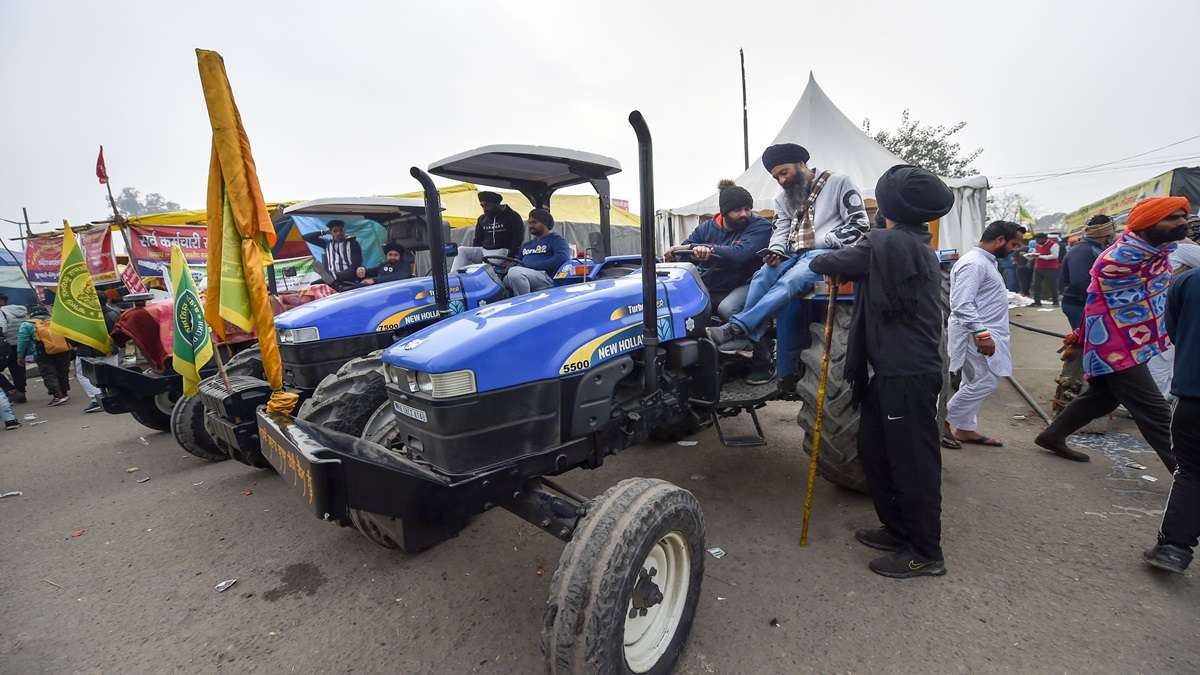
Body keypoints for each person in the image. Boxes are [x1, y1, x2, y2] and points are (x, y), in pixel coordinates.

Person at [808, 165, 955, 578]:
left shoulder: (887, 243)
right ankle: (897, 530)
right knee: (875, 451)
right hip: (887, 369)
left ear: (886, 207)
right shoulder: (909, 242)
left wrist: (829, 259)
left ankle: (925, 552)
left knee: (912, 463)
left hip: (907, 373)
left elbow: (825, 261)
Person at [1034, 196, 1192, 470]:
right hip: (1115, 343)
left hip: (1132, 340)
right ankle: (1187, 476)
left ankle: (1052, 435)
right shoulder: (1119, 258)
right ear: (1147, 225)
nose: (1181, 222)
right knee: (1155, 411)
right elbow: (1104, 296)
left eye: (1182, 217)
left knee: (1102, 397)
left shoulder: (1154, 254)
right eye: (1172, 218)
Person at [706, 143, 870, 378]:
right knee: (762, 276)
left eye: (784, 173)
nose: (781, 181)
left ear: (802, 164)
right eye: (776, 177)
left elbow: (859, 224)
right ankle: (746, 336)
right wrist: (775, 250)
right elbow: (781, 230)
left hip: (826, 252)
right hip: (793, 252)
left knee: (791, 280)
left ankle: (739, 329)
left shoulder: (839, 182)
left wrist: (823, 241)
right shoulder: (782, 198)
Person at [664, 180, 773, 383]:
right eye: (738, 210)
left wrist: (708, 250)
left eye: (748, 208)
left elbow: (742, 254)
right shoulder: (706, 228)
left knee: (728, 308)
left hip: (749, 283)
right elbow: (686, 250)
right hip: (714, 285)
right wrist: (675, 253)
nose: (744, 214)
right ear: (724, 212)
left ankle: (762, 361)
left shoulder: (759, 226)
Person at [943, 221, 1025, 449]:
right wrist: (982, 333)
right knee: (985, 381)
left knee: (973, 380)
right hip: (976, 334)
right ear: (1000, 240)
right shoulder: (974, 264)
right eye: (1013, 244)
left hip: (985, 332)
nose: (1015, 249)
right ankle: (943, 422)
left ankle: (965, 429)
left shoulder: (984, 262)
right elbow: (962, 304)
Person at [1143, 264, 1200, 574]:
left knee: (1192, 471)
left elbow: (1175, 330)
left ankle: (1174, 549)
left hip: (1195, 395)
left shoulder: (1189, 280)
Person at [1145, 219, 1200, 398]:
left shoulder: (1148, 247)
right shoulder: (1181, 248)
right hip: (1162, 311)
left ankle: (1160, 401)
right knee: (1162, 359)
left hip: (1153, 310)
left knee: (1163, 359)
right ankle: (1158, 403)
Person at [1059, 215, 1116, 330]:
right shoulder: (1084, 250)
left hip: (1084, 303)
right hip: (1080, 305)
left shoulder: (1092, 248)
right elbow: (1080, 283)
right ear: (1106, 233)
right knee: (1090, 343)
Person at [451, 191, 525, 272]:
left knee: (483, 268)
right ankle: (453, 278)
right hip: (484, 250)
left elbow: (517, 240)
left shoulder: (512, 216)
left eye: (487, 205)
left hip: (502, 252)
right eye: (482, 206)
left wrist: (509, 259)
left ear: (496, 204)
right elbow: (478, 239)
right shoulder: (482, 219)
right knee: (461, 250)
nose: (484, 209)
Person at [75, 290, 122, 414]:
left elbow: (73, 335)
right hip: (109, 350)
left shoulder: (82, 316)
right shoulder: (114, 313)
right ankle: (113, 397)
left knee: (83, 374)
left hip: (87, 351)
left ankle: (97, 398)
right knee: (112, 374)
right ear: (106, 300)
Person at [503, 209, 570, 296]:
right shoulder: (527, 245)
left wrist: (533, 266)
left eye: (534, 222)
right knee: (497, 281)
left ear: (545, 223)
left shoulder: (556, 240)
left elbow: (562, 259)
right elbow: (518, 261)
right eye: (529, 223)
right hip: (525, 274)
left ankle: (524, 304)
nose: (531, 225)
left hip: (546, 276)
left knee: (515, 273)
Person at [17, 306, 73, 405]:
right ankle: (64, 393)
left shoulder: (27, 325)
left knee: (49, 373)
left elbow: (22, 342)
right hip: (63, 350)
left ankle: (57, 395)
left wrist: (20, 356)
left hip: (42, 353)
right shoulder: (57, 320)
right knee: (63, 371)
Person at [303, 220, 365, 291]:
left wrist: (337, 275)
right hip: (331, 276)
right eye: (335, 231)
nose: (339, 233)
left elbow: (355, 265)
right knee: (313, 286)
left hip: (348, 275)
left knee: (329, 279)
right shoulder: (327, 244)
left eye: (341, 230)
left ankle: (335, 283)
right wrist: (324, 232)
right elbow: (306, 237)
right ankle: (333, 282)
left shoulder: (352, 243)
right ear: (331, 233)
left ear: (344, 231)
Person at [0, 293, 28, 403]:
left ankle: (11, 390)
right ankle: (21, 392)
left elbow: (3, 328)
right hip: (20, 344)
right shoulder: (19, 310)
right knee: (18, 369)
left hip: (5, 346)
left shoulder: (1, 312)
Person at [1030, 232, 1060, 306]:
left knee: (1052, 285)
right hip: (1038, 267)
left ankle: (1055, 302)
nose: (1036, 241)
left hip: (1051, 268)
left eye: (1038, 239)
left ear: (1044, 239)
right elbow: (1037, 254)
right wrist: (1031, 256)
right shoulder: (1037, 245)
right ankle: (1037, 302)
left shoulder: (1054, 244)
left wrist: (1040, 257)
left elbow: (1055, 256)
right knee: (1036, 285)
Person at [1015, 230, 1035, 296]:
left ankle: (1025, 293)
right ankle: (1028, 293)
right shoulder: (1034, 249)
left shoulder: (1019, 250)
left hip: (1021, 267)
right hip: (1031, 267)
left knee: (1022, 281)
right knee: (1029, 280)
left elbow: (1014, 259)